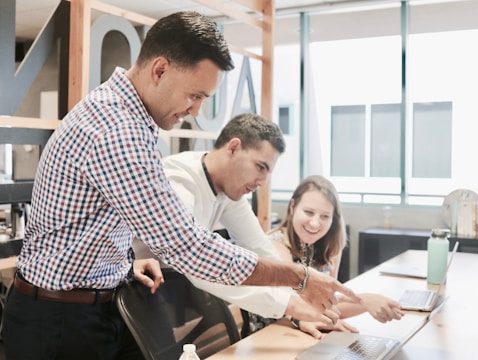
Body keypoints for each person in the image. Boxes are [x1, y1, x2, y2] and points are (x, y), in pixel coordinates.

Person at [3, 12, 361, 360]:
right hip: (57, 321)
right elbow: (187, 247)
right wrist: (299, 277)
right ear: (160, 70)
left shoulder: (130, 118)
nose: (195, 111)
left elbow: (92, 220)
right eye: (195, 95)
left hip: (94, 303)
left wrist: (125, 263)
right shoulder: (118, 131)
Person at [138, 112, 334, 334]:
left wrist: (297, 312)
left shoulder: (228, 191)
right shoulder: (179, 179)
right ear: (233, 148)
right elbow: (197, 261)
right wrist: (291, 305)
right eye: (261, 167)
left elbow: (260, 248)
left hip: (158, 292)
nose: (263, 181)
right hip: (123, 291)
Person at [244, 175, 404, 339]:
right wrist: (364, 300)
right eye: (308, 212)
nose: (315, 223)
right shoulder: (275, 246)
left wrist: (369, 303)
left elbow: (329, 306)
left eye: (325, 216)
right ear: (292, 207)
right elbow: (296, 307)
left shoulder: (331, 246)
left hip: (307, 334)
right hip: (270, 337)